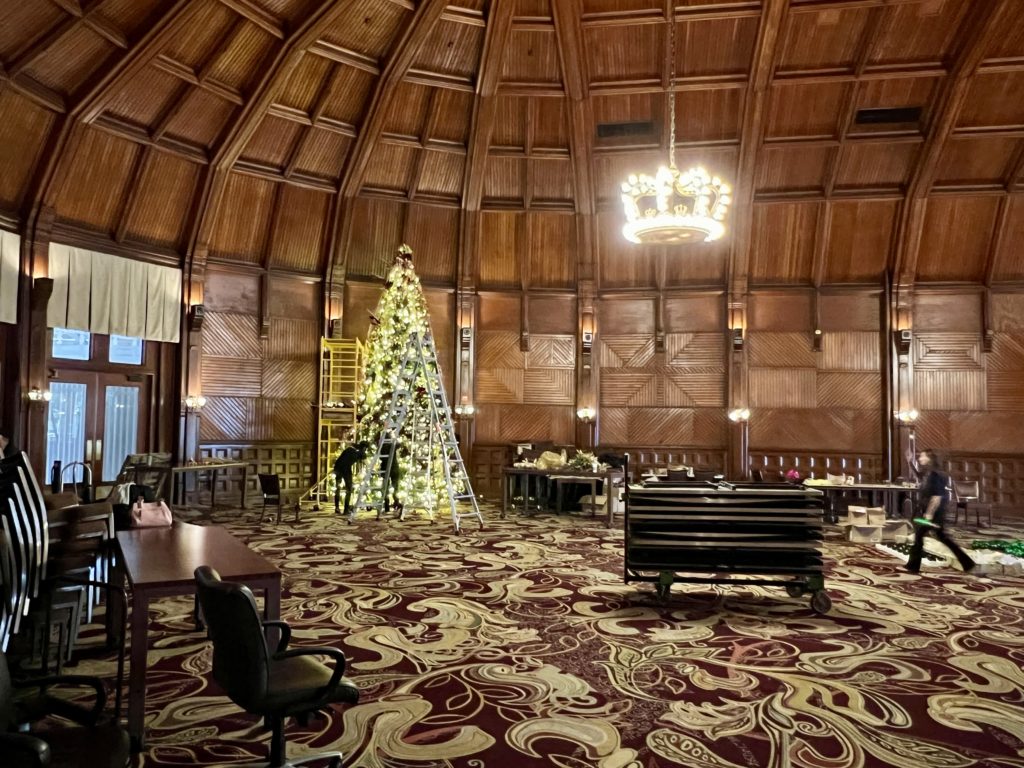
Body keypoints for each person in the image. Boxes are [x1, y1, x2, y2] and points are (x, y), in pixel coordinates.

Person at [905, 449, 975, 574]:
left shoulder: (936, 475)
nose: (919, 458)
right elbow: (919, 476)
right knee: (940, 537)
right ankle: (967, 562)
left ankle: (913, 566)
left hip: (936, 511)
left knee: (922, 536)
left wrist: (929, 514)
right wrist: (910, 462)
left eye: (922, 456)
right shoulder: (929, 472)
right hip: (932, 510)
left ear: (929, 459)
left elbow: (937, 496)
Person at [333, 441, 368, 516]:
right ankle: (346, 510)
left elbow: (340, 458)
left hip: (338, 468)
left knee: (338, 488)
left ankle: (337, 508)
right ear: (364, 448)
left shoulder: (349, 449)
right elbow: (367, 463)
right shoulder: (361, 453)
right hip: (346, 470)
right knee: (349, 489)